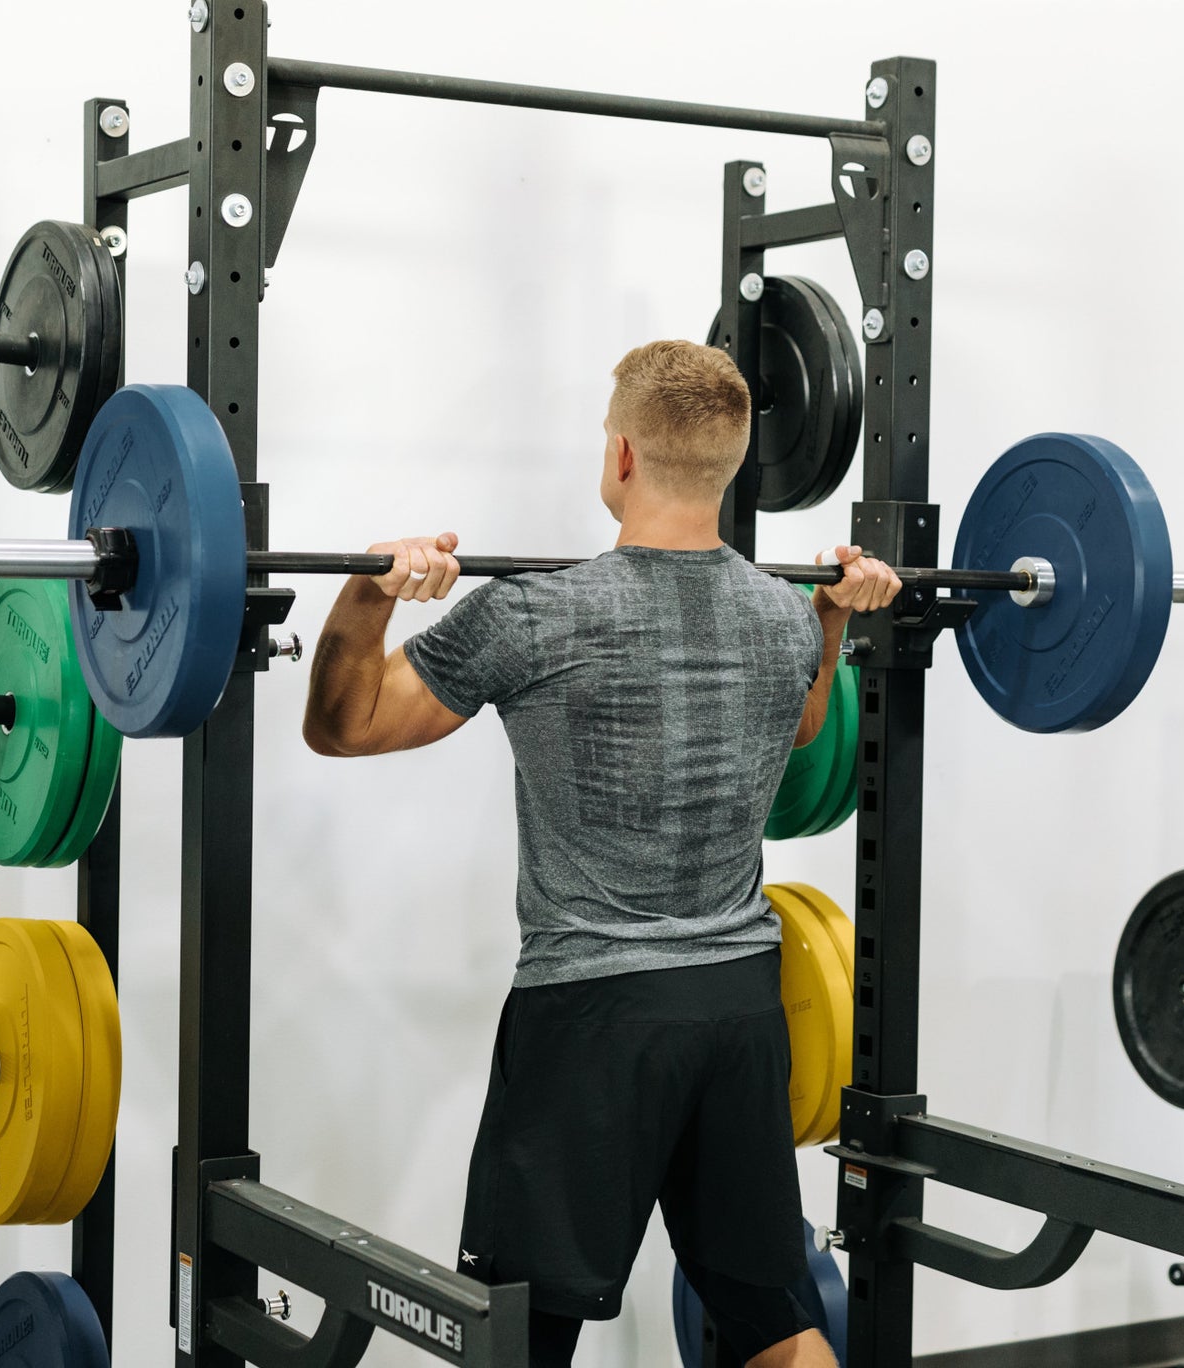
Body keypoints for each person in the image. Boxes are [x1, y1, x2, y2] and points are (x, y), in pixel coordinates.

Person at [301, 339, 902, 1368]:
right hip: (740, 1011)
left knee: (518, 1335)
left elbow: (344, 724)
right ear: (731, 464)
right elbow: (801, 733)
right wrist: (832, 619)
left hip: (592, 1016)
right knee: (776, 1320)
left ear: (620, 456)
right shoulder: (778, 618)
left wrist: (371, 591)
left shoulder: (534, 614)